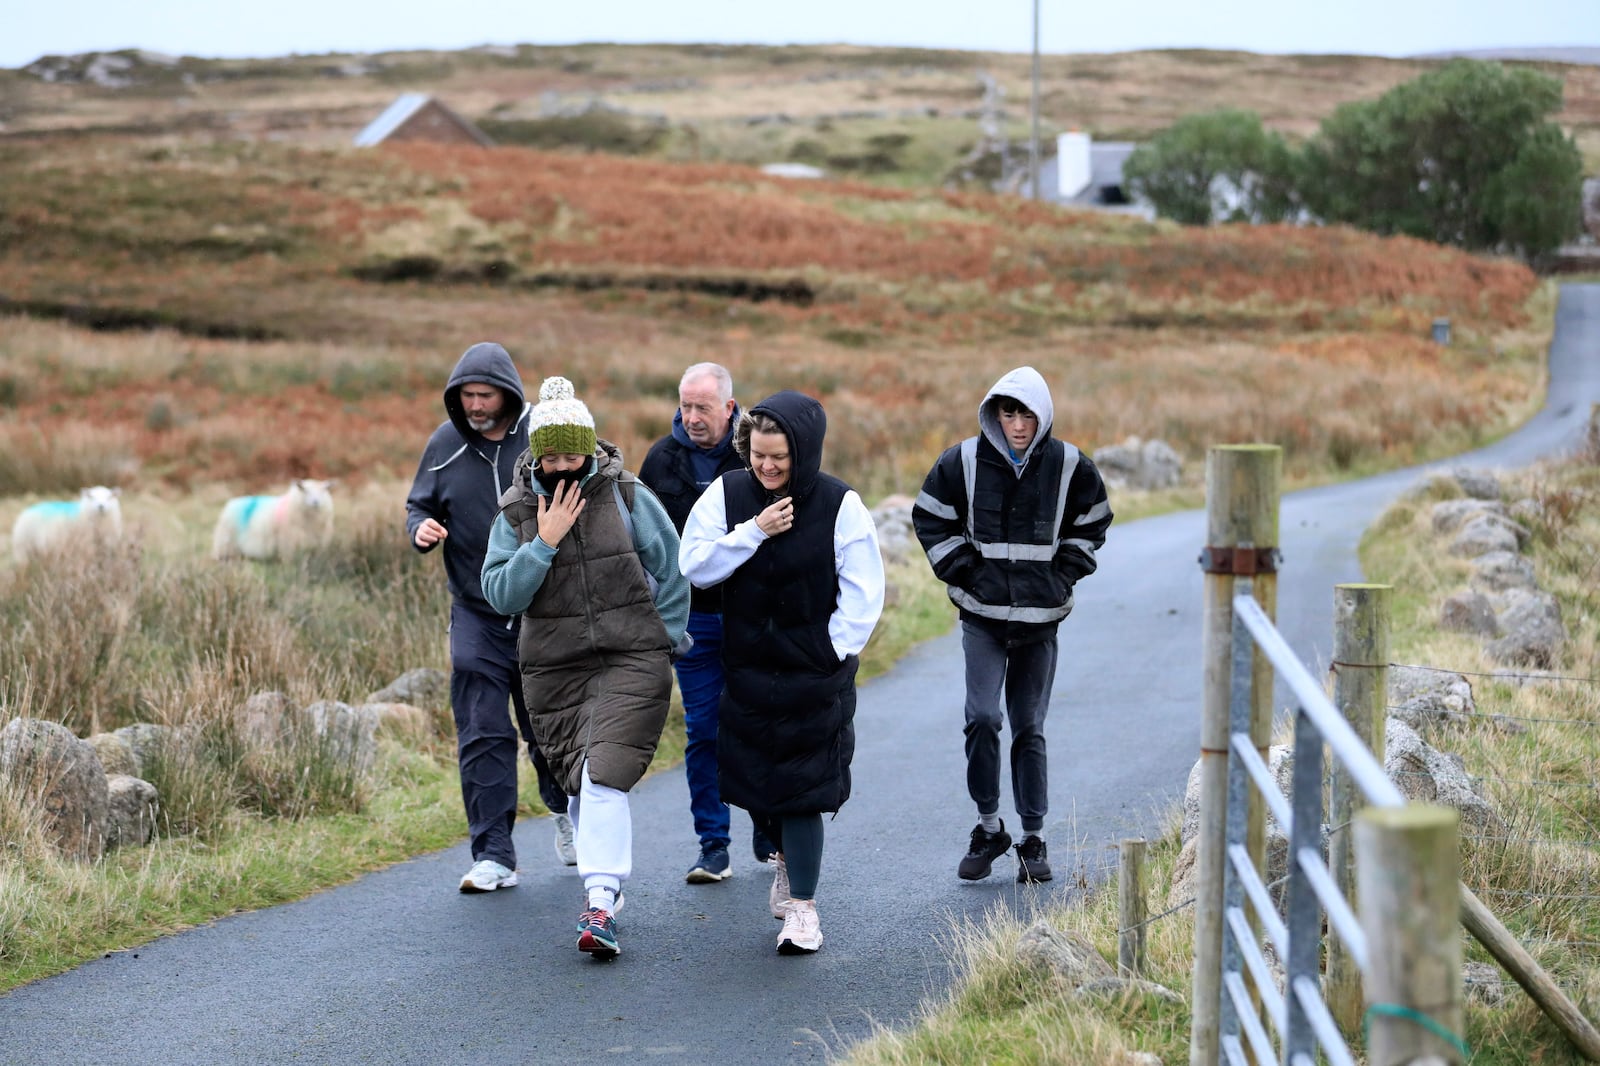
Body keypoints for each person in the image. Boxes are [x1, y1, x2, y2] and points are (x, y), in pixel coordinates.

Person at [482, 376, 690, 960]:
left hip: (632, 658)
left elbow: (671, 570)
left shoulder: (625, 493)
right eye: (552, 456)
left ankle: (599, 901)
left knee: (602, 774)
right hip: (553, 669)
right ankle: (607, 890)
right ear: (537, 454)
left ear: (590, 447)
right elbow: (500, 595)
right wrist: (542, 542)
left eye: (574, 454)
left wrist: (664, 640)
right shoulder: (517, 512)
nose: (565, 467)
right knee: (579, 781)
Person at [679, 390, 884, 955]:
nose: (766, 467)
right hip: (745, 668)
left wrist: (831, 651)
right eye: (758, 455)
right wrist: (754, 531)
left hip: (814, 672)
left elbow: (865, 593)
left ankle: (804, 911)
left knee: (802, 790)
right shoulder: (730, 493)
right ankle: (782, 862)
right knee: (756, 786)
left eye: (779, 458)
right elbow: (694, 566)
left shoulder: (841, 505)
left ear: (805, 453)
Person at [911, 366, 1111, 884]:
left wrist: (1061, 577)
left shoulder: (1070, 465)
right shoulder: (961, 460)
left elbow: (1094, 521)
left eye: (1026, 413)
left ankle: (1032, 838)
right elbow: (930, 516)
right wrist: (968, 574)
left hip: (1041, 623)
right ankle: (987, 827)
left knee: (1029, 728)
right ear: (994, 413)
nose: (1018, 424)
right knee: (981, 717)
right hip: (982, 618)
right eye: (1008, 412)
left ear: (1041, 414)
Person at [405, 341, 576, 894]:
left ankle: (561, 808)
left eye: (486, 394)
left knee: (546, 727)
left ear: (509, 393)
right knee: (482, 731)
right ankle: (494, 855)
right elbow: (419, 505)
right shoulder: (445, 443)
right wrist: (421, 530)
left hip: (541, 611)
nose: (476, 405)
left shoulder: (538, 437)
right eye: (467, 395)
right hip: (475, 613)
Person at [638, 362, 777, 885]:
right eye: (684, 405)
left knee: (758, 724)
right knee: (702, 732)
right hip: (691, 620)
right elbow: (644, 541)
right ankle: (713, 846)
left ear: (728, 407)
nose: (691, 417)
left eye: (702, 407)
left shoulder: (756, 456)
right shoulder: (660, 460)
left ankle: (767, 827)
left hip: (752, 618)